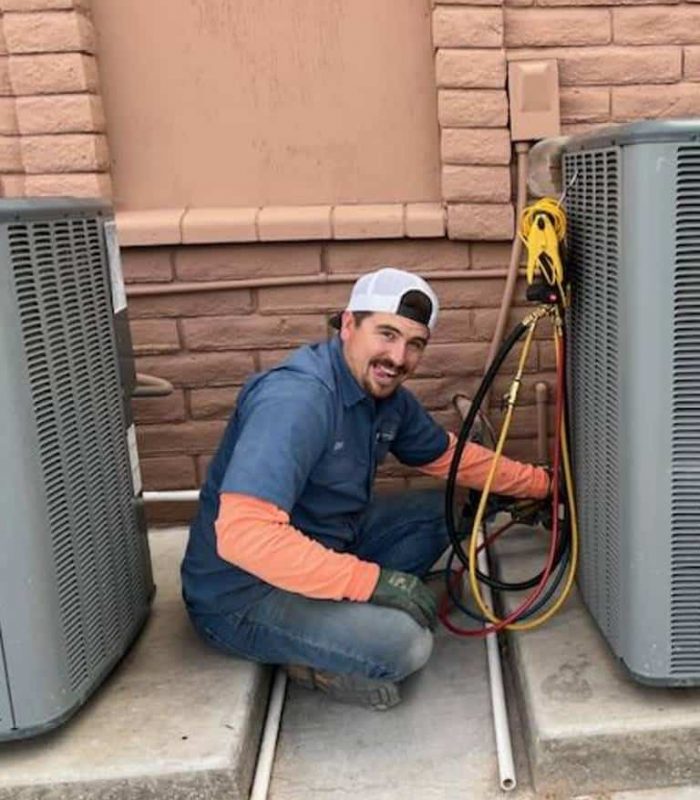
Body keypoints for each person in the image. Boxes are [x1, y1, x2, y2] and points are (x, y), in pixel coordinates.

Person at [181, 267, 550, 710]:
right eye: (387, 334)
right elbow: (245, 535)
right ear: (349, 325)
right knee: (406, 644)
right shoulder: (298, 400)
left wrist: (544, 485)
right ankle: (314, 660)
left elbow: (450, 458)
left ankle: (342, 618)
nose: (398, 357)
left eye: (415, 344)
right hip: (244, 594)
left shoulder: (386, 398)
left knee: (448, 511)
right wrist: (373, 583)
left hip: (328, 545)